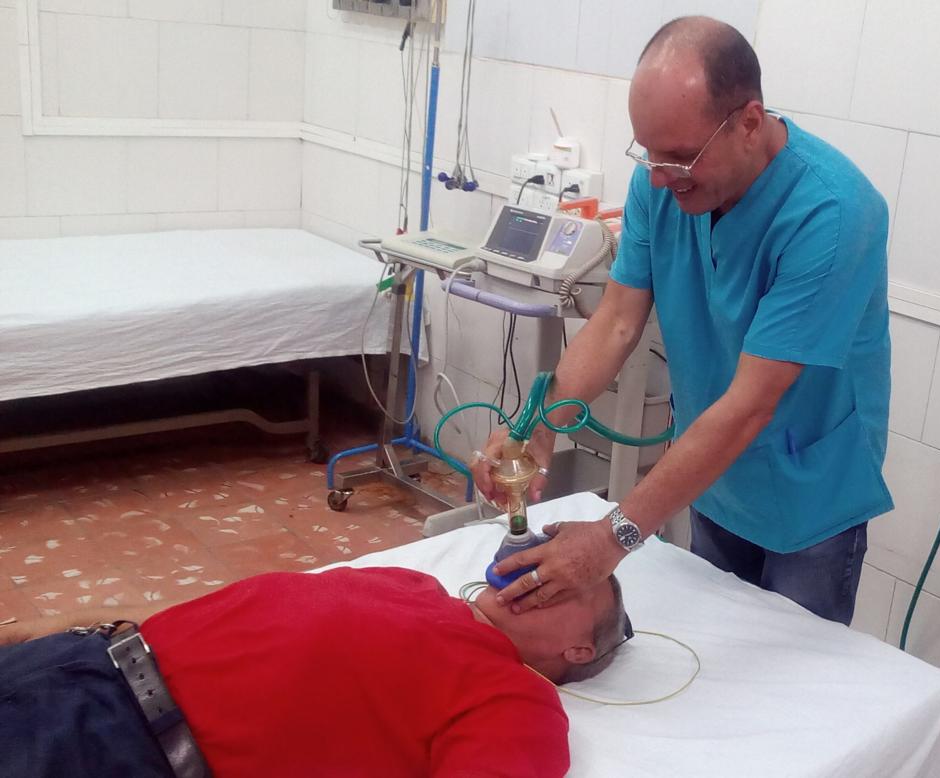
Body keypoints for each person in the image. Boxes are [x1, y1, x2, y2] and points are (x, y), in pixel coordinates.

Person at [473, 15, 892, 627]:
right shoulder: (662, 184)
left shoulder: (832, 215)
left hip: (809, 494)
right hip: (711, 476)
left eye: (679, 157)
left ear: (748, 122)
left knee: (792, 664)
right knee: (713, 639)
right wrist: (536, 425)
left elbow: (750, 406)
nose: (659, 176)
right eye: (647, 152)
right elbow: (617, 322)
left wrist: (613, 536)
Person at [0, 565, 630, 777]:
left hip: (113, 749)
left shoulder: (518, 704)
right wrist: (59, 629)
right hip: (77, 660)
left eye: (574, 580)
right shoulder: (415, 584)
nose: (543, 570)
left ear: (579, 649)